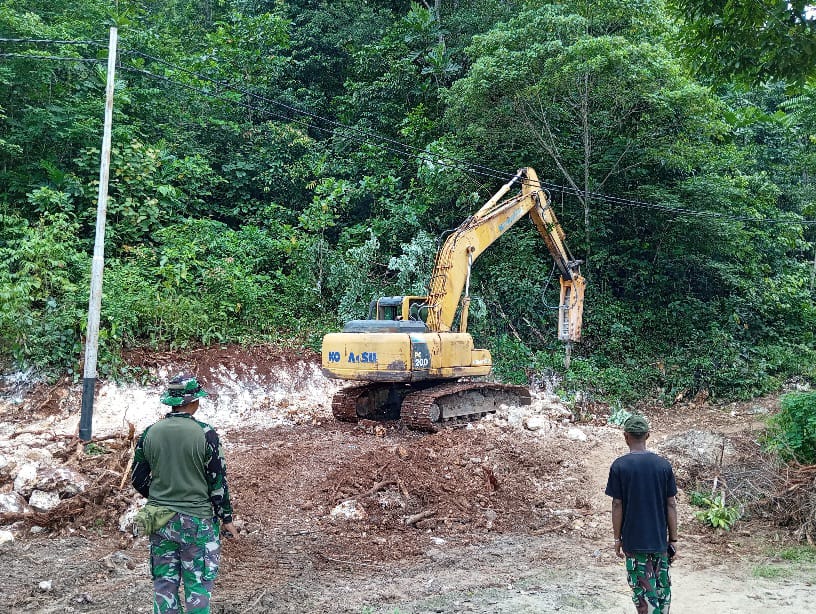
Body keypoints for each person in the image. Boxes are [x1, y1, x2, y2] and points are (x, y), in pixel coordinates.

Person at [131, 373, 237, 614]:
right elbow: (217, 481)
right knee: (197, 586)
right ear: (195, 402)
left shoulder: (149, 433)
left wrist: (161, 496)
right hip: (197, 522)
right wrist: (226, 518)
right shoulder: (205, 433)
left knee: (164, 585)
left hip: (160, 520)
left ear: (171, 401)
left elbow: (137, 479)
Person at [605, 414, 678, 614]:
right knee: (662, 590)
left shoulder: (619, 466)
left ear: (626, 436)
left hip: (634, 542)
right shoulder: (663, 466)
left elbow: (617, 504)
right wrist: (673, 539)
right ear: (647, 435)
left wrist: (616, 538)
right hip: (659, 542)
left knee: (644, 594)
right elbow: (671, 504)